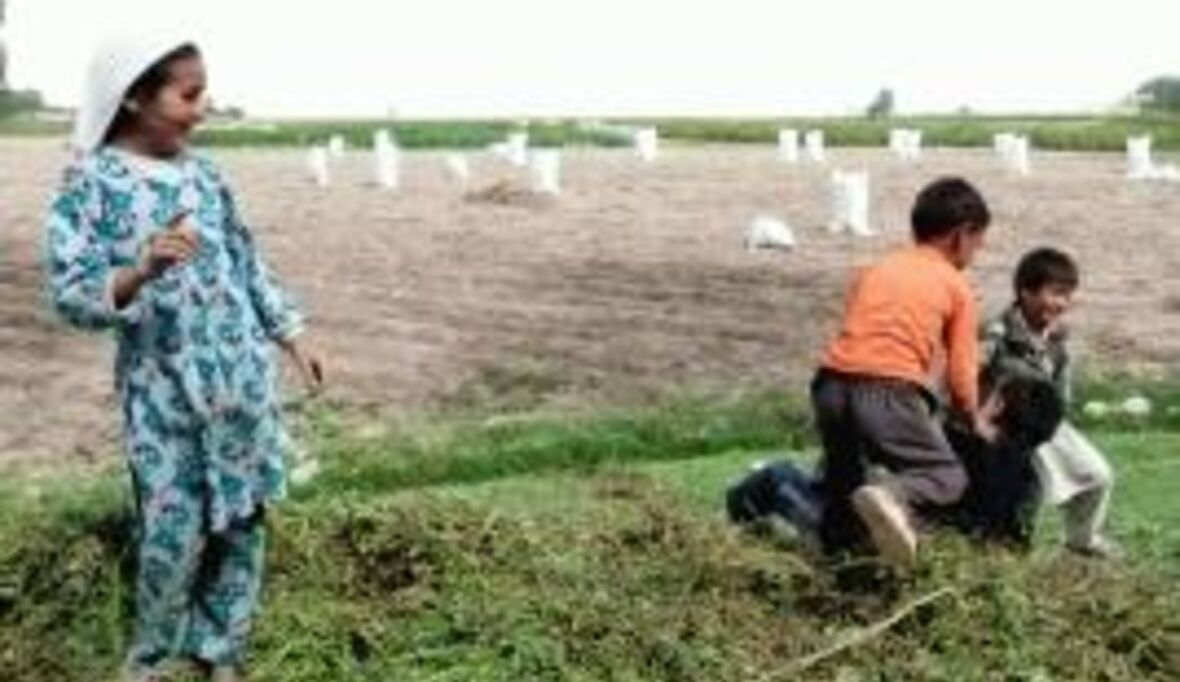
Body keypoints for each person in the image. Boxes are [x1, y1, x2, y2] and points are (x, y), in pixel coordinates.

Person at [43, 35, 324, 682]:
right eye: (188, 94)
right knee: (172, 535)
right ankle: (152, 656)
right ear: (137, 96)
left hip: (241, 387)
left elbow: (247, 264)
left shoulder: (205, 176)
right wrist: (138, 270)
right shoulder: (90, 184)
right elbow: (71, 291)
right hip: (163, 397)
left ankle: (219, 649)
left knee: (243, 523)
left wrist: (292, 335)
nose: (202, 107)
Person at [810, 176, 997, 568]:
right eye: (978, 242)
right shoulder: (956, 285)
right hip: (888, 389)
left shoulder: (875, 268)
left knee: (843, 487)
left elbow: (857, 329)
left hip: (829, 384)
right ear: (962, 235)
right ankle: (892, 497)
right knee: (944, 476)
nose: (977, 252)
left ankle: (833, 568)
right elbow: (963, 372)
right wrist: (972, 418)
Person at [980, 247, 1121, 558]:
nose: (1061, 303)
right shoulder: (997, 333)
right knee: (1019, 500)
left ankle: (1082, 541)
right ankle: (1005, 556)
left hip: (1044, 426)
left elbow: (1062, 392)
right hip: (1002, 428)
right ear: (1025, 292)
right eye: (1054, 293)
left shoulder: (1058, 340)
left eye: (1067, 295)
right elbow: (970, 373)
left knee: (1098, 476)